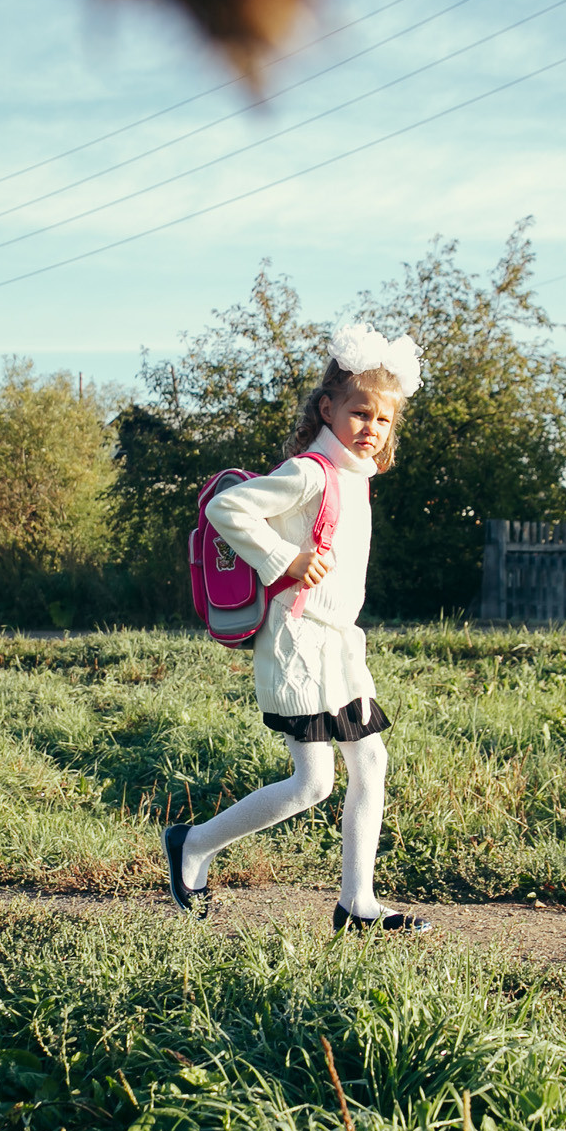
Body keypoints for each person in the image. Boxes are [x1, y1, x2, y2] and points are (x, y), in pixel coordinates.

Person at [162, 325, 432, 933]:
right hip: (297, 642)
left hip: (338, 644)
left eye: (383, 420)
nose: (371, 427)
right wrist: (284, 562)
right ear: (327, 408)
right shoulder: (311, 472)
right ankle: (193, 846)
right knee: (312, 782)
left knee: (371, 762)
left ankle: (356, 905)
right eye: (360, 411)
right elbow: (225, 508)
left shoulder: (356, 477)